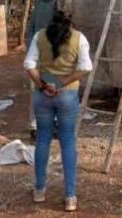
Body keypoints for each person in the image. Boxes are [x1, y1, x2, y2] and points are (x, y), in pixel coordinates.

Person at [24, 11, 92, 213]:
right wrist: (63, 81)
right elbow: (86, 67)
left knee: (42, 139)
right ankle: (70, 196)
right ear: (70, 22)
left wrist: (43, 84)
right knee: (68, 141)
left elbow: (29, 64)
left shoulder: (40, 36)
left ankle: (39, 190)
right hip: (67, 94)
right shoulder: (79, 38)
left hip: (43, 95)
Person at [25, 0, 66, 133]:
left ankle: (54, 123)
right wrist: (30, 50)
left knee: (55, 89)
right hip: (37, 56)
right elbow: (31, 27)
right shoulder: (39, 3)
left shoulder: (60, 4)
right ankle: (35, 126)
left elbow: (64, 31)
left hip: (54, 55)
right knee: (37, 89)